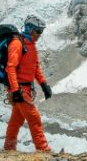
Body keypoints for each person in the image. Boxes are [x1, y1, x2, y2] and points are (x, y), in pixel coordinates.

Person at [3, 14, 53, 152]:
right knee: (34, 118)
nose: (40, 35)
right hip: (19, 89)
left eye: (41, 32)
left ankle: (8, 149)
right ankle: (43, 150)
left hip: (25, 89)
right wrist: (15, 90)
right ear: (30, 29)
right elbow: (10, 68)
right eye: (38, 31)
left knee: (16, 121)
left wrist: (44, 84)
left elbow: (35, 67)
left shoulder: (31, 46)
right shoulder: (17, 44)